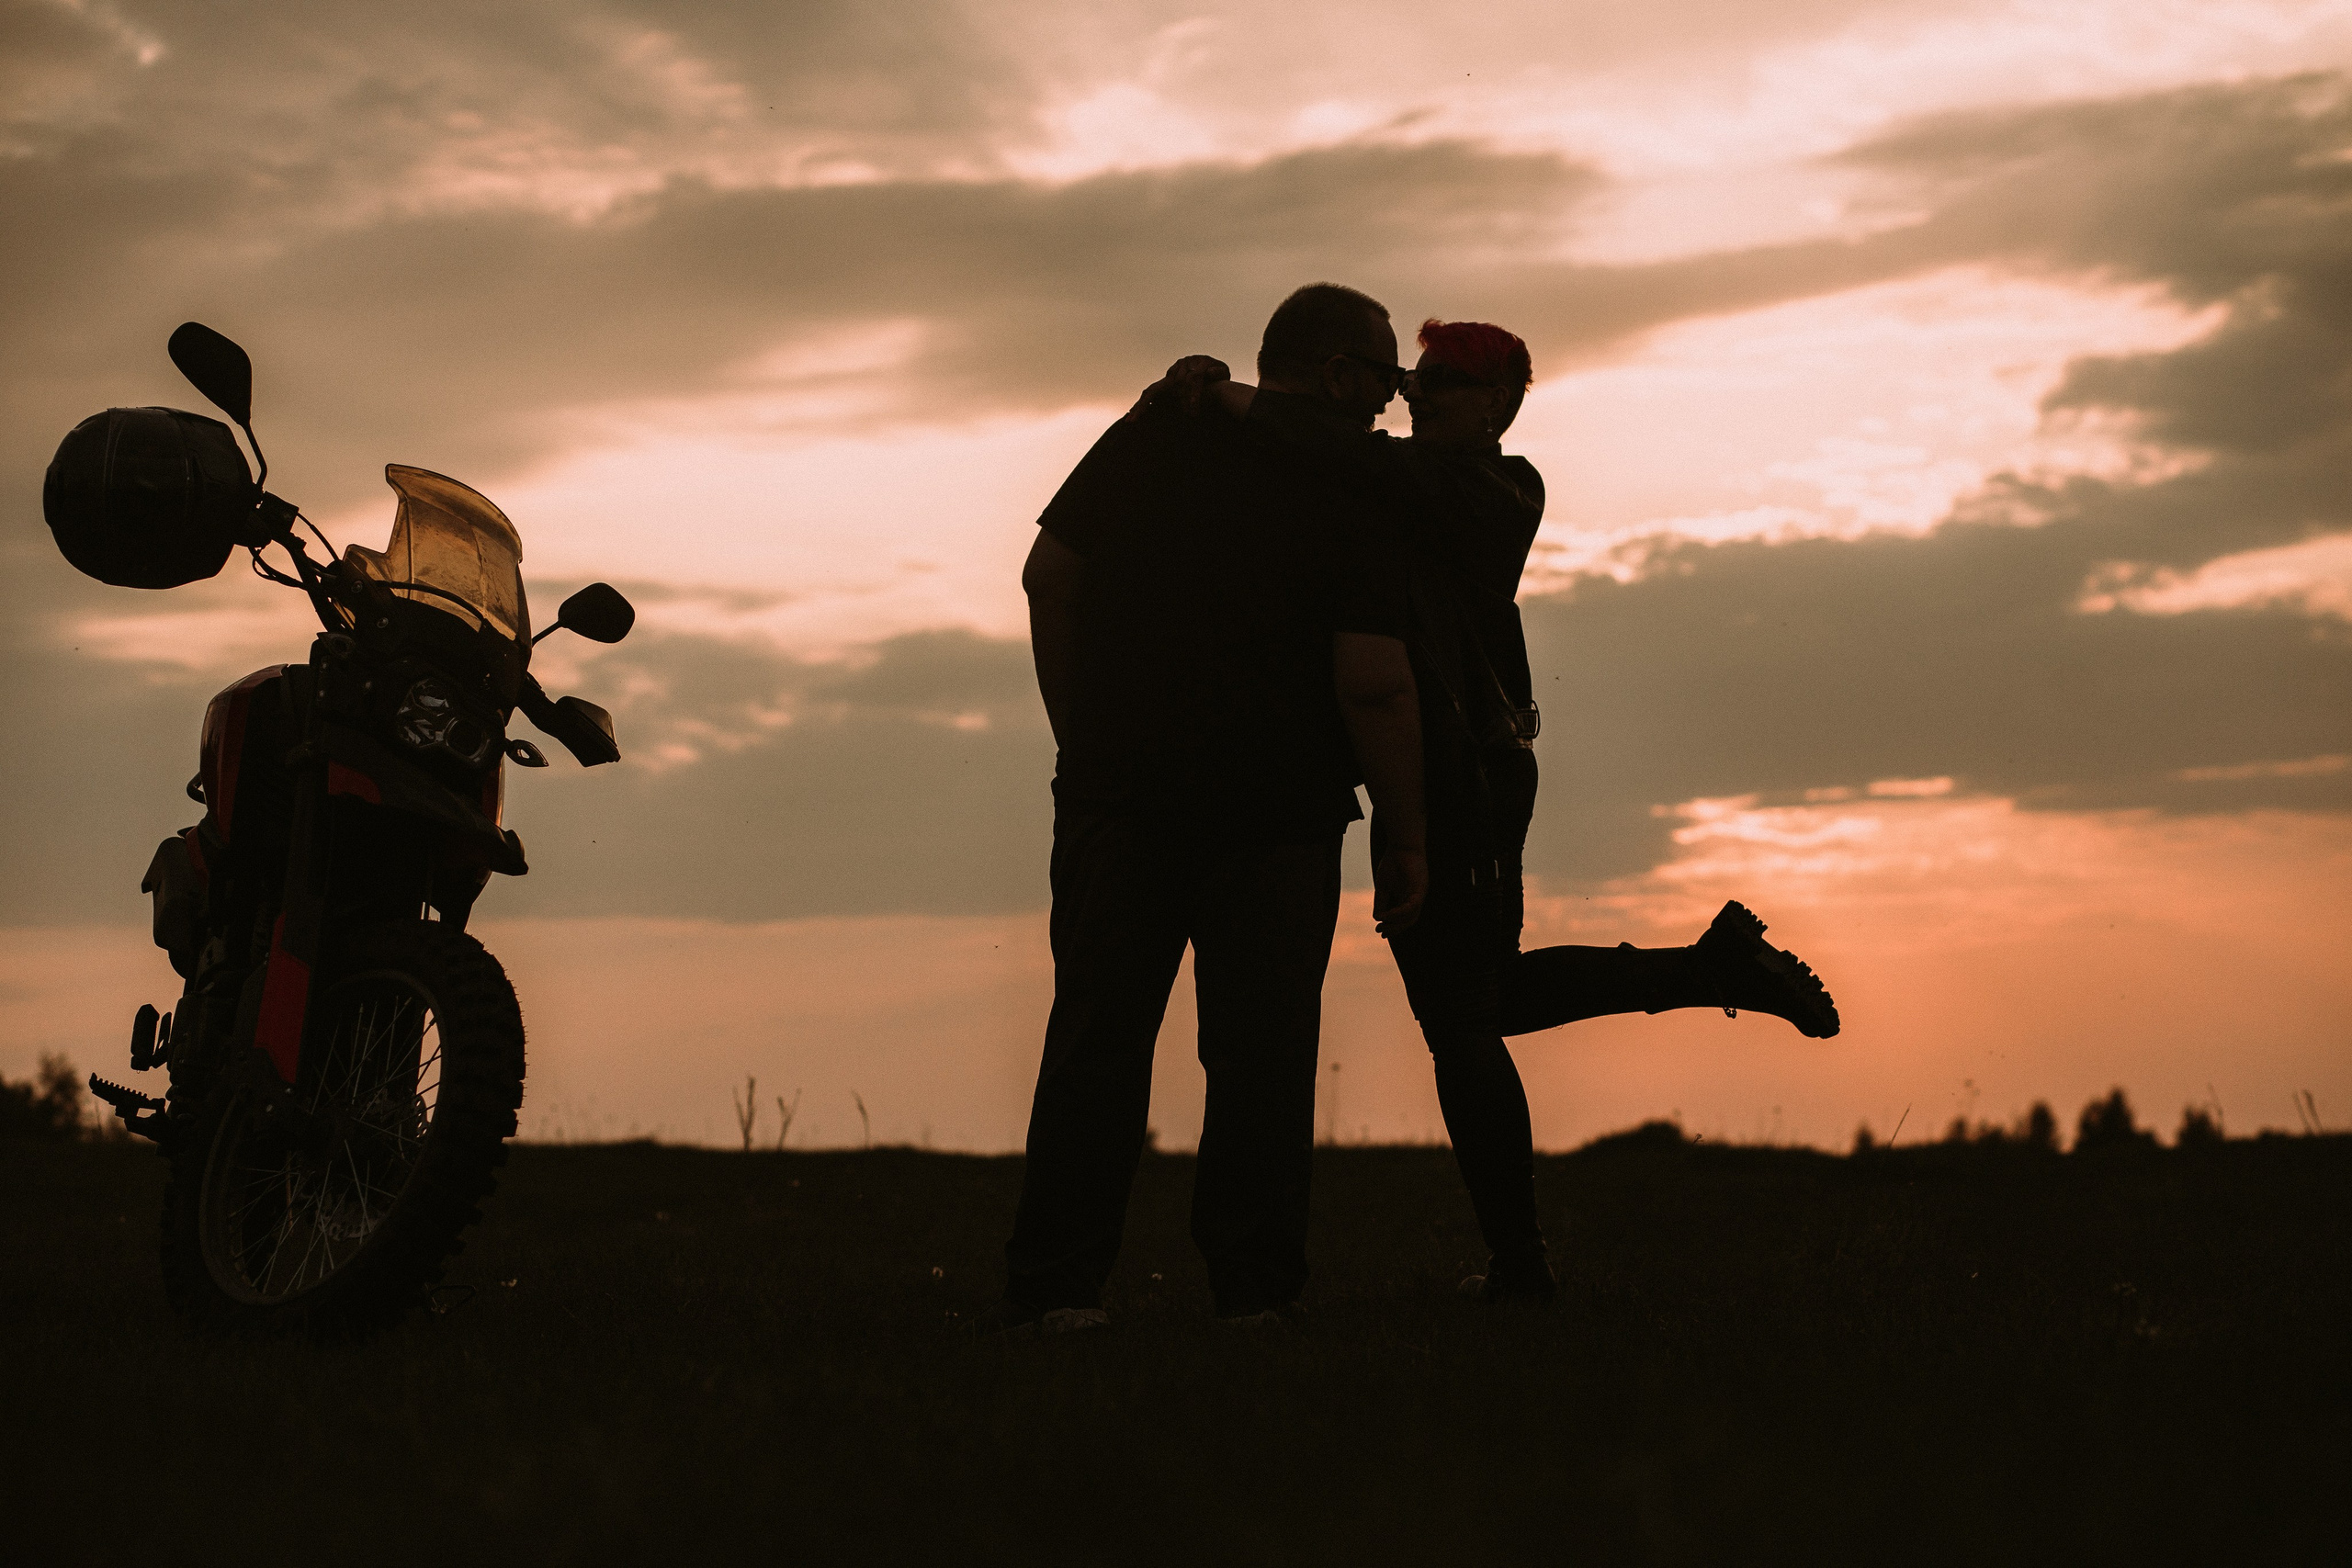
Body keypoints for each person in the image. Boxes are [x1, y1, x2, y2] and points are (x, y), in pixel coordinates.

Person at [1139, 320, 1840, 1304]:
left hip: (1463, 774)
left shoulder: (1493, 491)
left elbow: (1343, 454)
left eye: (1444, 384)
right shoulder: (1413, 484)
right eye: (1415, 380)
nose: (1419, 395)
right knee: (1475, 1001)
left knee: (1462, 1017)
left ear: (1499, 408)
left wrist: (1226, 398)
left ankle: (1524, 1267)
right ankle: (1704, 971)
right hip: (1443, 769)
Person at [991, 284, 1429, 1333]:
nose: (1390, 406)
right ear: (1336, 376)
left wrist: (1081, 733)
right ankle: (1252, 1294)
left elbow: (1048, 574)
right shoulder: (1350, 484)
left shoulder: (1151, 430)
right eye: (1384, 381)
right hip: (1276, 812)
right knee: (1261, 1058)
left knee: (1097, 1040)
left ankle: (1056, 1293)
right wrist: (1407, 836)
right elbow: (1371, 676)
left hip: (1116, 794)